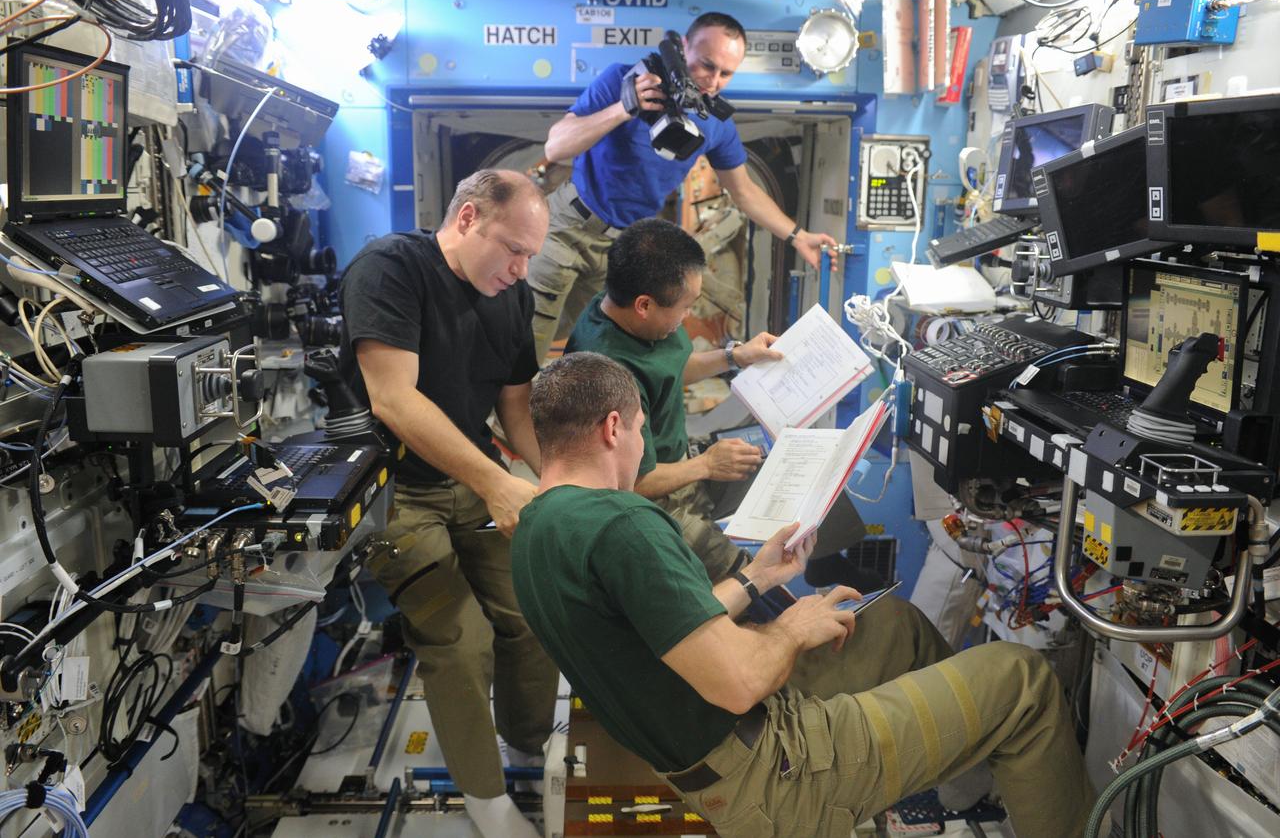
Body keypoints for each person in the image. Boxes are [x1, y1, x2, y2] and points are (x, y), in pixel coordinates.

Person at [511, 352, 1097, 838]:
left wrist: (758, 578)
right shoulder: (624, 524)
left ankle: (974, 785)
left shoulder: (538, 526)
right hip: (776, 772)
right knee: (1023, 682)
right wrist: (792, 627)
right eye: (641, 430)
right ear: (613, 428)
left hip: (721, 759)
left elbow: (667, 627)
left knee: (895, 626)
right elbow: (740, 681)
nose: (643, 448)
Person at [337, 169, 558, 838]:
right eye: (513, 249)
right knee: (459, 637)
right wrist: (496, 483)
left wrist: (557, 480)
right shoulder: (390, 269)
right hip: (395, 491)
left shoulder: (512, 294)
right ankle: (485, 796)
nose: (521, 270)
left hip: (471, 477)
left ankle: (526, 747)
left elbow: (514, 404)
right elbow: (393, 399)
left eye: (530, 256)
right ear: (467, 219)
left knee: (533, 608)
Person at [529, 11, 838, 361]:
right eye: (707, 65)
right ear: (684, 46)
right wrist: (624, 107)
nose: (713, 81)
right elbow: (556, 147)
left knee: (592, 355)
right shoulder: (623, 79)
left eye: (726, 73)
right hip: (568, 226)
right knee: (525, 349)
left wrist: (798, 236)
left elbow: (745, 191)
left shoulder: (716, 124)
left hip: (621, 252)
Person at [566, 217, 779, 582]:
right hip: (655, 497)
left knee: (785, 480)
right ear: (644, 305)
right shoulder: (609, 375)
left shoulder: (623, 307)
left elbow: (669, 369)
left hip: (679, 463)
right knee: (750, 578)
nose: (688, 316)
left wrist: (735, 356)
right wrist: (707, 465)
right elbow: (631, 482)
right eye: (684, 307)